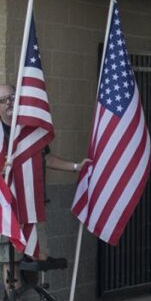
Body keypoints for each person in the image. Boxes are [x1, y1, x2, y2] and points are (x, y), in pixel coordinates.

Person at [0, 82, 87, 262]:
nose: (8, 102)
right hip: (6, 208)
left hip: (30, 205)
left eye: (12, 97)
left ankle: (31, 279)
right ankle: (14, 281)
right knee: (11, 261)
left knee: (39, 257)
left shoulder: (29, 129)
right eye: (2, 100)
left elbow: (46, 158)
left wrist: (76, 167)